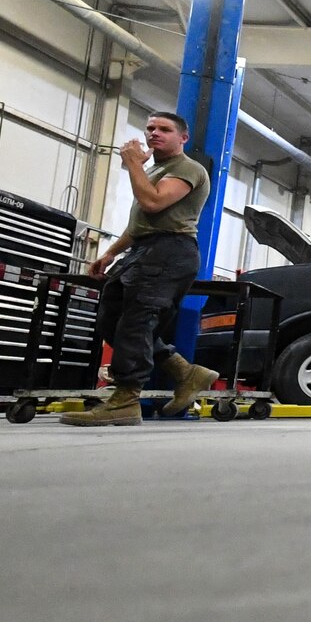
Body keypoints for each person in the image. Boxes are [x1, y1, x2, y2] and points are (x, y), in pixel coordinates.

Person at [61, 111, 219, 426]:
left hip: (170, 251)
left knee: (136, 322)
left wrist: (134, 164)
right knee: (112, 318)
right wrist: (110, 253)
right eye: (150, 128)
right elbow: (141, 225)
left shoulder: (187, 168)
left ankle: (125, 399)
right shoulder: (155, 169)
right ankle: (184, 372)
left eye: (164, 129)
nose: (154, 133)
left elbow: (154, 203)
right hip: (144, 249)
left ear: (182, 138)